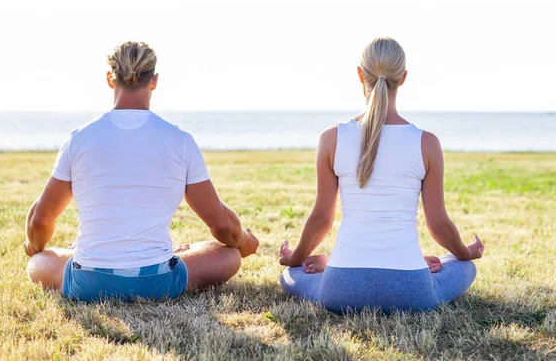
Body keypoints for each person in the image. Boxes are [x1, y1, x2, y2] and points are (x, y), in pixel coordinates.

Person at [25, 41, 259, 302]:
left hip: (87, 283)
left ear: (109, 79)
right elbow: (223, 226)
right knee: (229, 255)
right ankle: (164, 257)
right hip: (158, 282)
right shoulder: (180, 140)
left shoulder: (79, 138)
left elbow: (39, 220)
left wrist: (33, 246)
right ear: (154, 80)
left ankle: (88, 256)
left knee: (39, 260)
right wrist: (245, 239)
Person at [279, 37, 484, 312]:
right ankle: (416, 262)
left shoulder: (331, 139)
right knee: (462, 267)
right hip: (412, 292)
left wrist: (296, 257)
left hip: (341, 289)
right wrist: (464, 253)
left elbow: (321, 219)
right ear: (403, 79)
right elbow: (439, 225)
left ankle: (332, 262)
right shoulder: (427, 143)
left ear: (360, 74)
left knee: (291, 275)